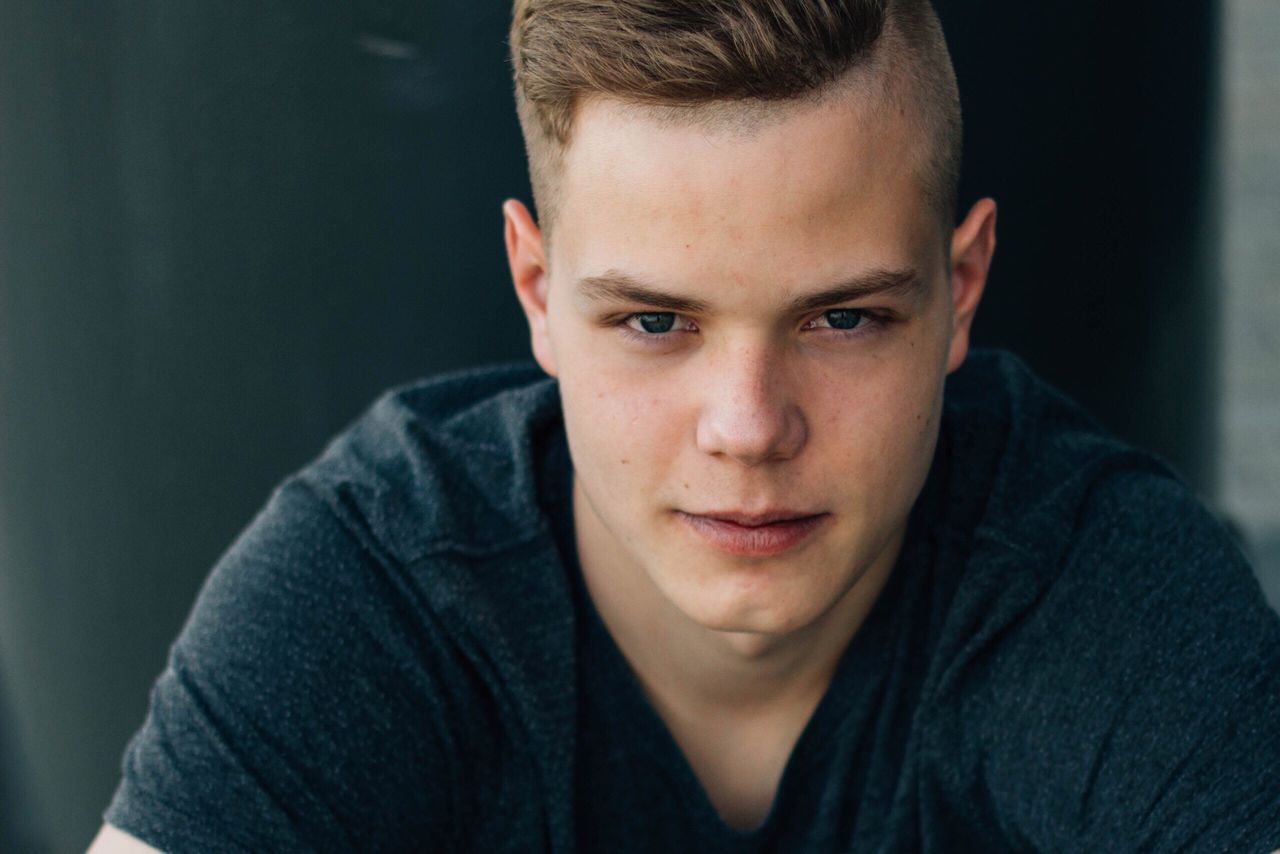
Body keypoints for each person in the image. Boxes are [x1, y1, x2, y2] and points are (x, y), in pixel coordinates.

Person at [90, 0, 1280, 851]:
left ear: (958, 289)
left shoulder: (1099, 585)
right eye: (656, 321)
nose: (748, 427)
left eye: (844, 317)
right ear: (538, 292)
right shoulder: (381, 587)